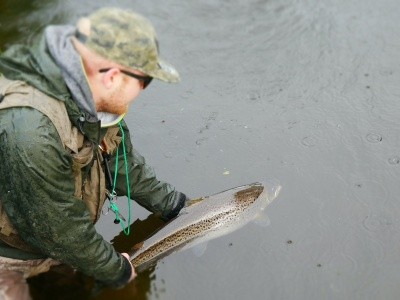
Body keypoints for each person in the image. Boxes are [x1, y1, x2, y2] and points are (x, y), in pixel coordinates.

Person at [0, 7, 188, 300]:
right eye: (145, 81)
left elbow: (122, 164)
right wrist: (116, 269)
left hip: (55, 239)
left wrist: (176, 205)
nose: (144, 90)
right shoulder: (30, 130)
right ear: (112, 76)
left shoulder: (97, 97)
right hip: (9, 256)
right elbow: (60, 229)